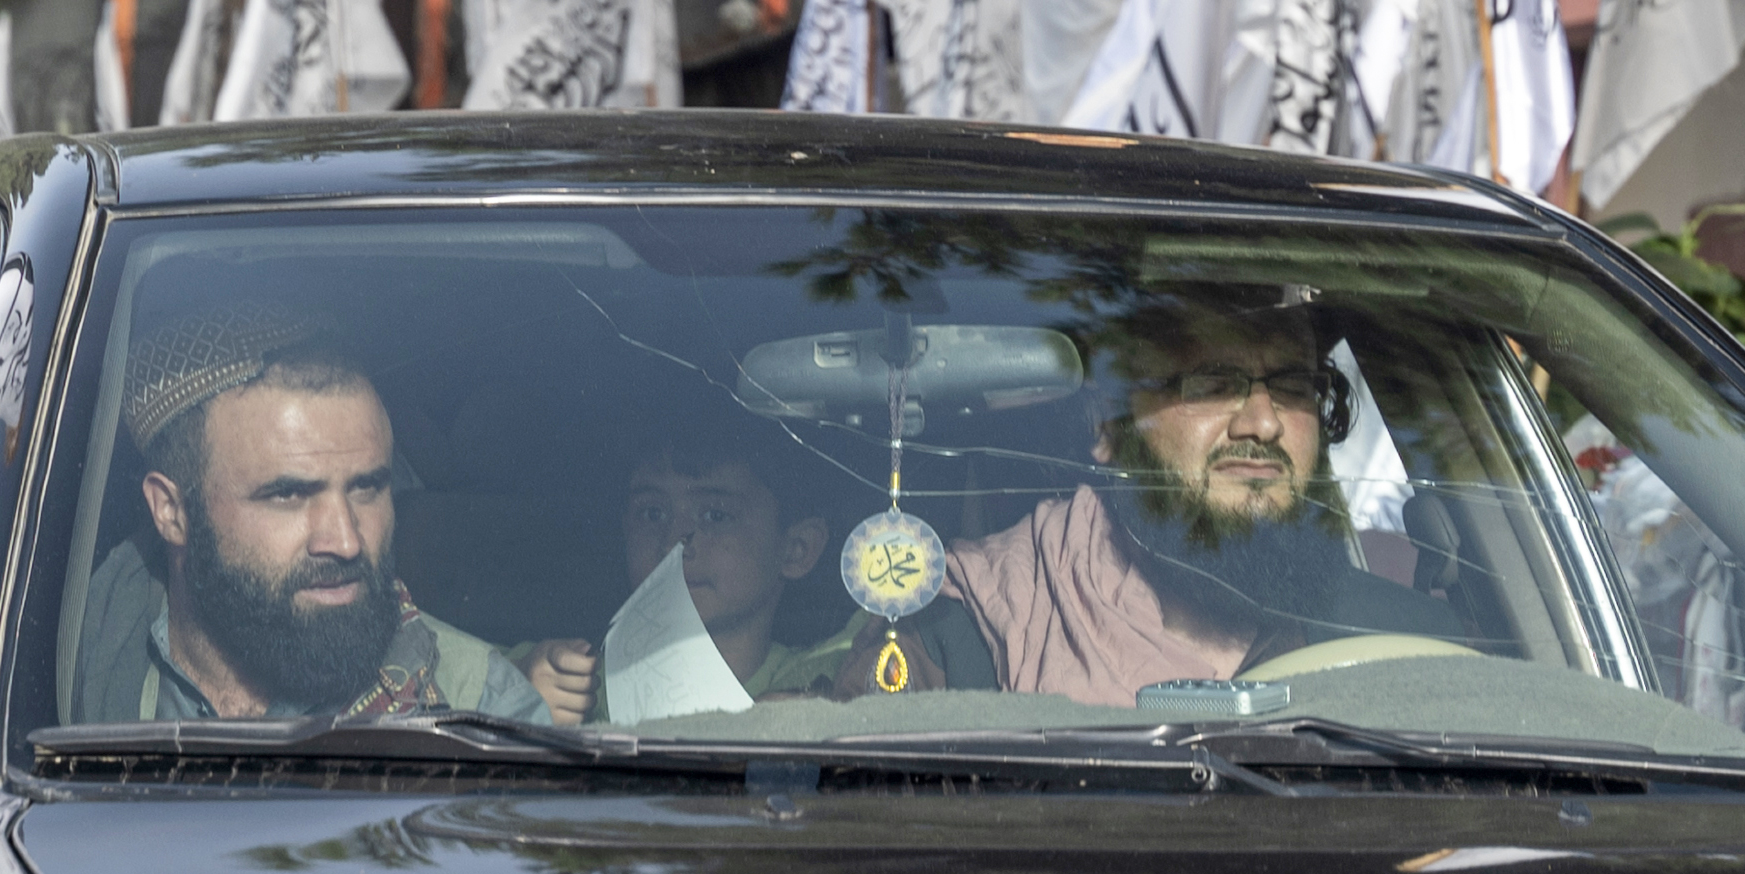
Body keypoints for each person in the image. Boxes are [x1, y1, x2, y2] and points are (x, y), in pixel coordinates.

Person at [857, 292, 1462, 707]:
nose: (1264, 423)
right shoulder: (966, 634)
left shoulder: (1416, 649)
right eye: (1212, 383)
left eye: (1293, 386)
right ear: (1106, 427)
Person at [79, 307, 546, 722]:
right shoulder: (60, 678)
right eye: (289, 495)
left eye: (366, 487)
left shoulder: (482, 710)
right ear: (171, 511)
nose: (345, 541)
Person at [514, 406, 968, 718]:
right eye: (652, 513)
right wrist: (515, 703)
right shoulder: (559, 674)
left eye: (715, 515)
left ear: (796, 550)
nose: (675, 541)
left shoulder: (845, 666)